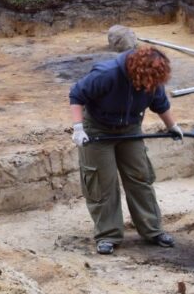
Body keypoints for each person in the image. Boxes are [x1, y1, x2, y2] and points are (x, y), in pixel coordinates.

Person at [69, 45, 184, 255]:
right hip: (99, 129)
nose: (150, 86)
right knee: (102, 182)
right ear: (135, 72)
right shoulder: (107, 74)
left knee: (140, 177)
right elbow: (77, 95)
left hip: (130, 128)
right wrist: (78, 128)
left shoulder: (151, 79)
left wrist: (172, 126)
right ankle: (108, 235)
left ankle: (152, 230)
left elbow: (160, 103)